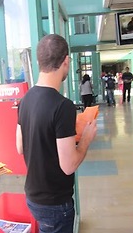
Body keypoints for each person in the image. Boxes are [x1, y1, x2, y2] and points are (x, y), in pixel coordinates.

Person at [16, 34, 97, 233]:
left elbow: (20, 147)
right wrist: (85, 139)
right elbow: (68, 166)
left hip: (33, 196)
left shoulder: (25, 100)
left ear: (38, 62)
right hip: (55, 203)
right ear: (66, 61)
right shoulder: (63, 106)